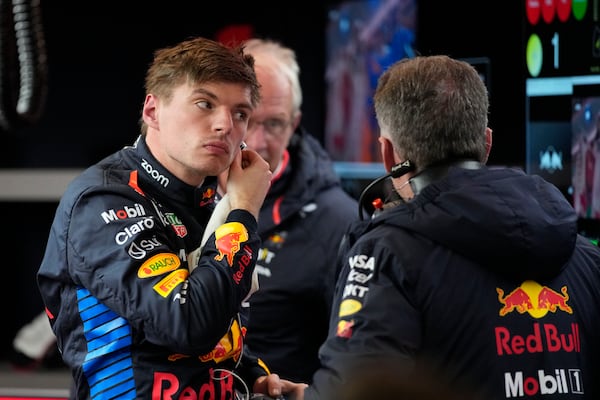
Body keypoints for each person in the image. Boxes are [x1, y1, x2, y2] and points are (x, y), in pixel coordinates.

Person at [301, 55, 600, 399]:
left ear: (387, 155)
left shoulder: (385, 255)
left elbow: (349, 393)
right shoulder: (585, 256)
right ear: (486, 144)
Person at [36, 36, 307, 400]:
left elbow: (211, 330)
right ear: (152, 111)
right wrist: (242, 210)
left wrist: (250, 375)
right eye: (204, 104)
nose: (225, 124)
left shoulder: (207, 202)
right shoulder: (104, 201)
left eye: (240, 113)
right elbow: (188, 323)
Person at [222, 38, 358, 384]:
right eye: (246, 118)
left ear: (295, 123)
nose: (256, 141)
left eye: (275, 124)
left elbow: (357, 359)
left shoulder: (340, 222)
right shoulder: (178, 198)